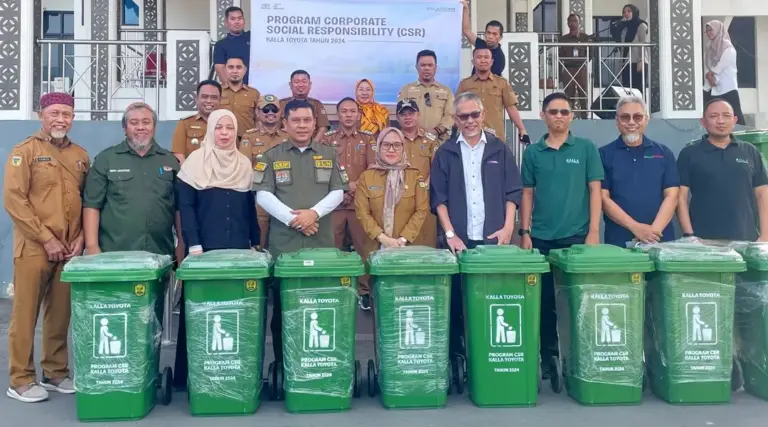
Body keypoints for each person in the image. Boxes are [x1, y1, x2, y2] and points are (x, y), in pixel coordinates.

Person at [3, 93, 88, 402]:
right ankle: (20, 379)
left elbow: (84, 199)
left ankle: (55, 372)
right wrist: (46, 238)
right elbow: (14, 199)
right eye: (54, 113)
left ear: (72, 117)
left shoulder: (80, 155)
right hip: (35, 247)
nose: (60, 119)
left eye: (66, 113)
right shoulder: (24, 151)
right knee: (25, 315)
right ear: (41, 114)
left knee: (60, 313)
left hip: (68, 249)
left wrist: (80, 238)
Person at [430, 91, 523, 359]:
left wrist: (508, 229)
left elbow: (513, 192)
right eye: (463, 116)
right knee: (457, 302)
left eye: (474, 114)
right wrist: (450, 235)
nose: (469, 120)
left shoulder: (499, 149)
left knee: (492, 300)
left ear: (482, 115)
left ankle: (487, 355)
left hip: (494, 240)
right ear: (455, 119)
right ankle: (458, 359)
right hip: (459, 242)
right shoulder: (445, 153)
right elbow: (439, 198)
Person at [254, 99, 346, 363]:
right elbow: (262, 195)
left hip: (321, 243)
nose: (302, 125)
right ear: (285, 124)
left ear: (314, 123)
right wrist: (295, 220)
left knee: (320, 306)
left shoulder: (329, 154)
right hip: (286, 245)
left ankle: (318, 360)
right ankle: (284, 366)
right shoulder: (271, 155)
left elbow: (338, 192)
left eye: (307, 120)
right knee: (284, 310)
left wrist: (313, 214)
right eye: (296, 120)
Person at [519, 92, 603, 377]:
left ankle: (581, 357)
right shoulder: (533, 153)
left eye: (564, 112)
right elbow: (527, 193)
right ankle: (548, 358)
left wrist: (593, 231)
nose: (559, 116)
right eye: (553, 111)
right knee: (543, 303)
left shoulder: (586, 148)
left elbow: (595, 191)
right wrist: (525, 231)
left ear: (572, 116)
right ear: (543, 115)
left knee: (578, 301)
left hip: (577, 237)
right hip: (540, 237)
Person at [174, 109, 259, 390]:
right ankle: (189, 377)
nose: (224, 133)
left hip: (237, 246)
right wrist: (193, 244)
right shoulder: (193, 166)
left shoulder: (244, 165)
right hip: (203, 248)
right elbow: (186, 209)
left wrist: (254, 242)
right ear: (210, 130)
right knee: (199, 310)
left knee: (234, 309)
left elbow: (249, 209)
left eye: (229, 128)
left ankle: (232, 369)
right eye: (219, 127)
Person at [82, 102, 183, 260]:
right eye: (133, 123)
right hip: (114, 254)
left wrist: (181, 245)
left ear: (154, 127)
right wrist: (92, 247)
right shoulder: (106, 160)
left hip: (160, 254)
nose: (140, 127)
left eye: (146, 122)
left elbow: (179, 208)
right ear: (124, 129)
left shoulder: (170, 161)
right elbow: (91, 206)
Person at [677, 99, 768, 243]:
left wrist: (765, 235)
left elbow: (762, 195)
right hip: (704, 242)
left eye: (726, 115)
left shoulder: (750, 151)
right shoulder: (689, 154)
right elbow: (680, 198)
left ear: (734, 120)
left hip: (747, 240)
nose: (721, 121)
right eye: (714, 116)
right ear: (703, 121)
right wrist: (689, 235)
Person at [318, 97, 376, 310]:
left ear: (358, 115)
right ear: (338, 115)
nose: (349, 115)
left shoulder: (368, 139)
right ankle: (336, 288)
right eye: (344, 111)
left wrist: (352, 189)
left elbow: (372, 171)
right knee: (333, 248)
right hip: (335, 204)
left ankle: (364, 292)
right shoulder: (327, 139)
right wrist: (342, 188)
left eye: (353, 111)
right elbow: (323, 170)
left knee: (364, 249)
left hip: (360, 205)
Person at [600, 96, 679, 247]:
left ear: (646, 119)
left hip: (661, 240)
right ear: (617, 121)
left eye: (637, 117)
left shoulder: (664, 153)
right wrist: (636, 228)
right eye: (625, 117)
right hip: (619, 241)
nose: (631, 122)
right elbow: (603, 198)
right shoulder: (603, 154)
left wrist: (652, 233)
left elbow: (672, 195)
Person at [354, 127, 429, 269]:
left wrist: (402, 239)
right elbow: (362, 213)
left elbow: (421, 210)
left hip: (407, 246)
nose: (391, 150)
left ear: (403, 148)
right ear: (379, 147)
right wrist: (384, 239)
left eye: (397, 145)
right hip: (375, 247)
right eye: (386, 144)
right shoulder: (367, 177)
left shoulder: (415, 176)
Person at [240, 94, 289, 249]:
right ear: (258, 113)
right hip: (260, 195)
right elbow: (245, 166)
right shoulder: (250, 137)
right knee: (259, 241)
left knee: (284, 239)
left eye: (274, 109)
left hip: (285, 195)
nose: (270, 113)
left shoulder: (288, 137)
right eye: (265, 109)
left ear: (280, 112)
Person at [456, 39, 529, 143]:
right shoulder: (465, 84)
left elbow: (511, 108)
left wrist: (522, 129)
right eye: (479, 57)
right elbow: (457, 110)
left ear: (491, 62)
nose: (483, 60)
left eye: (486, 57)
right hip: (470, 136)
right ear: (473, 61)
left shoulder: (502, 83)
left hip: (495, 137)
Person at [396, 100, 439, 247]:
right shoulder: (393, 140)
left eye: (411, 113)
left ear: (418, 115)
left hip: (425, 199)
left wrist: (423, 187)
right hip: (399, 198)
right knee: (400, 241)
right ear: (397, 118)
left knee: (426, 242)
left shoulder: (431, 140)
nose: (407, 117)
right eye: (403, 114)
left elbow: (437, 169)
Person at [397, 50, 455, 143]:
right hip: (413, 141)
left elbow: (450, 115)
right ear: (417, 68)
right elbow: (402, 115)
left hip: (439, 141)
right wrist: (417, 132)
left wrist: (437, 131)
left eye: (430, 65)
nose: (426, 68)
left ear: (435, 68)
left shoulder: (446, 91)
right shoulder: (406, 90)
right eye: (423, 65)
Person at [704, 20, 745, 125]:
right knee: (711, 113)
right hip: (711, 86)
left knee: (734, 114)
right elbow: (706, 64)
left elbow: (722, 65)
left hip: (727, 87)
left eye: (711, 30)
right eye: (707, 31)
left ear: (718, 30)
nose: (709, 33)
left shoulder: (728, 48)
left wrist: (711, 74)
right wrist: (708, 76)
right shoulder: (709, 48)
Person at [171, 80, 222, 163]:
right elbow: (178, 155)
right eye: (204, 96)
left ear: (220, 100)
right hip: (192, 174)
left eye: (214, 97)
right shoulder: (185, 124)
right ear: (197, 99)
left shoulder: (227, 125)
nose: (209, 101)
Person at [559, 14, 593, 118]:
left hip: (581, 68)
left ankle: (584, 116)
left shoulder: (585, 38)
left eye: (575, 21)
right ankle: (569, 116)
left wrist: (583, 62)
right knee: (569, 94)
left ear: (579, 23)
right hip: (568, 69)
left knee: (583, 93)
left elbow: (590, 53)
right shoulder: (563, 39)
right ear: (567, 23)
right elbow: (560, 55)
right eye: (570, 21)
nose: (573, 23)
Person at [279, 70, 330, 138]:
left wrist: (313, 146)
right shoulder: (281, 104)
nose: (300, 85)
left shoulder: (316, 104)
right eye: (296, 82)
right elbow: (275, 128)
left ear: (310, 84)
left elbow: (323, 128)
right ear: (290, 85)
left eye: (304, 81)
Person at [461, 1, 506, 76]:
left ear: (500, 37)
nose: (490, 36)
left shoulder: (499, 57)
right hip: (473, 86)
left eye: (494, 34)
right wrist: (465, 9)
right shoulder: (481, 44)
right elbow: (466, 30)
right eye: (488, 33)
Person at [611, 4, 649, 93]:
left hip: (638, 63)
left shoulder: (641, 25)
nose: (626, 14)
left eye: (629, 11)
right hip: (627, 63)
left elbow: (644, 43)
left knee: (637, 90)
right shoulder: (624, 28)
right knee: (627, 90)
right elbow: (623, 47)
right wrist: (621, 62)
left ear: (634, 12)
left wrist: (642, 60)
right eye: (624, 12)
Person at [220, 57, 261, 138]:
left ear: (245, 70)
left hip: (247, 140)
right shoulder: (217, 92)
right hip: (222, 138)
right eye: (231, 67)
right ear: (225, 70)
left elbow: (259, 119)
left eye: (238, 67)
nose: (234, 71)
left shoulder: (254, 93)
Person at [213, 6, 251, 85]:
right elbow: (220, 69)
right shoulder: (221, 45)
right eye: (233, 19)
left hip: (258, 86)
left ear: (244, 20)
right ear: (226, 22)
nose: (237, 22)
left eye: (239, 18)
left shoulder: (253, 37)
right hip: (235, 90)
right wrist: (233, 90)